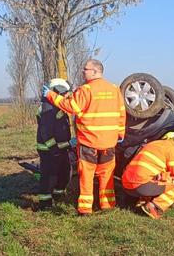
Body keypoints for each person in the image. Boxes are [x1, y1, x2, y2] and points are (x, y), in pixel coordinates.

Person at [43, 59, 125, 215]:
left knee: (87, 175)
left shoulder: (86, 89)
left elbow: (70, 107)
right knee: (106, 175)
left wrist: (50, 95)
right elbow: (122, 113)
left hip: (89, 142)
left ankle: (85, 208)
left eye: (85, 69)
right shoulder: (114, 89)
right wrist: (120, 133)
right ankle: (107, 206)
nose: (83, 71)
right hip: (109, 142)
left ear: (95, 71)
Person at [121, 134, 174, 219]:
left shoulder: (155, 143)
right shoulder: (172, 149)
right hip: (140, 186)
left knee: (159, 177)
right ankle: (155, 207)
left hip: (126, 183)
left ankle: (142, 201)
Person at [35, 78, 72, 210]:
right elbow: (45, 131)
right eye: (66, 93)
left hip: (61, 148)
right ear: (59, 91)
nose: (68, 95)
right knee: (49, 175)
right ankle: (45, 203)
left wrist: (68, 144)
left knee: (64, 172)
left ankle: (58, 195)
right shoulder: (48, 107)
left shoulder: (57, 105)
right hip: (49, 150)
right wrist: (53, 148)